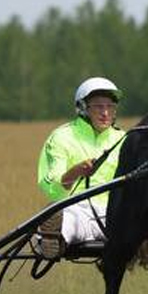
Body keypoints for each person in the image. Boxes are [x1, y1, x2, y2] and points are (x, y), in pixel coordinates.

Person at [33, 76, 125, 258]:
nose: (105, 113)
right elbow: (53, 189)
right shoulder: (61, 137)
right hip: (78, 209)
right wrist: (76, 171)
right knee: (67, 221)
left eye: (110, 107)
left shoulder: (125, 139)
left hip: (118, 214)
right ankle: (50, 239)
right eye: (99, 106)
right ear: (82, 108)